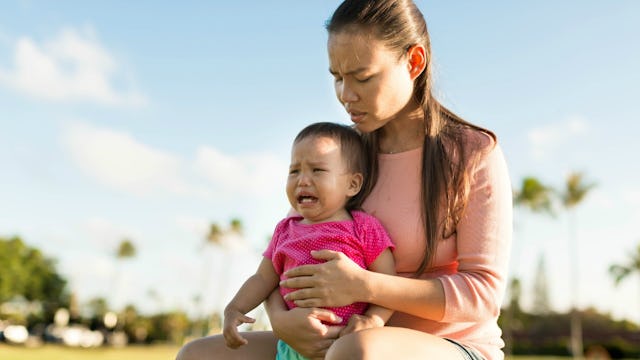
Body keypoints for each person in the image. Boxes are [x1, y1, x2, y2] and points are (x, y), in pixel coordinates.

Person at [176, 0, 512, 359]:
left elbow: (481, 294)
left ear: (414, 62)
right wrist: (280, 318)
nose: (344, 95)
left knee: (356, 352)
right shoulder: (336, 156)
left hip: (453, 346)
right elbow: (283, 255)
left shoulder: (473, 153)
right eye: (337, 77)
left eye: (362, 77)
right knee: (197, 355)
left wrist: (364, 286)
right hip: (337, 339)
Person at [222, 122, 396, 360]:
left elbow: (388, 283)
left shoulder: (363, 228)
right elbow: (263, 278)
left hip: (348, 343)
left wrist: (372, 320)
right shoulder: (285, 230)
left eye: (317, 170)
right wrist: (234, 309)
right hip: (294, 348)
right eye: (294, 171)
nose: (302, 180)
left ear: (352, 184)